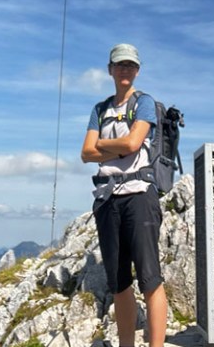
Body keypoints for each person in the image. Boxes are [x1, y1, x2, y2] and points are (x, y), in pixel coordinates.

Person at [81, 43, 167, 347]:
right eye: (119, 65)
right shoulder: (100, 109)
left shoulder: (144, 103)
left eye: (130, 65)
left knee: (150, 278)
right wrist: (118, 146)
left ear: (137, 70)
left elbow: (132, 144)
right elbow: (85, 153)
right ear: (110, 70)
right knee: (118, 282)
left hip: (139, 195)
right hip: (107, 199)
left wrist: (102, 145)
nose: (124, 70)